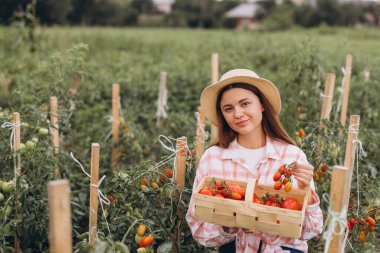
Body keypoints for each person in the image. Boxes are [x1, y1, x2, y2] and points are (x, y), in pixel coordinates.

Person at [186, 69, 323, 253]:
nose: (238, 114)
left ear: (262, 105)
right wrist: (232, 224)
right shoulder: (213, 159)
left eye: (245, 103)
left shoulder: (291, 157)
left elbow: (312, 230)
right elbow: (198, 228)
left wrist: (306, 192)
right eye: (228, 108)